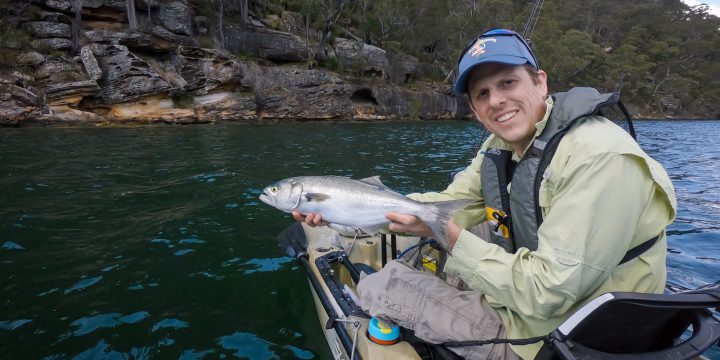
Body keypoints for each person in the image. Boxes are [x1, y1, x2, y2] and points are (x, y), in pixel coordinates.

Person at [293, 28, 676, 360]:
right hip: (550, 296)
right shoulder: (501, 145)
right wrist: (352, 206)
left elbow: (548, 293)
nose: (496, 101)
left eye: (508, 83)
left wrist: (452, 241)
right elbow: (449, 202)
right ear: (475, 109)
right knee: (464, 231)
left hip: (568, 337)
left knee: (379, 286)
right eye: (482, 94)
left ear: (540, 82)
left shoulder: (600, 159)